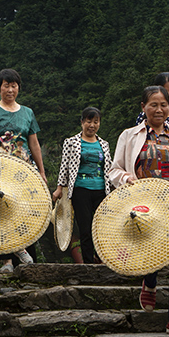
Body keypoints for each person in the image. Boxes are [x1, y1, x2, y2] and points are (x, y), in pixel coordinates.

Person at [109, 86, 169, 335]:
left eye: (163, 104)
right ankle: (150, 280)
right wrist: (127, 179)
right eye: (153, 104)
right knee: (152, 253)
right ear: (143, 107)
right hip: (146, 207)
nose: (159, 109)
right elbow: (113, 171)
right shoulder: (130, 136)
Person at [0, 68, 46, 272]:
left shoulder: (27, 112)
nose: (10, 89)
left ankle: (23, 250)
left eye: (14, 85)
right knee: (1, 211)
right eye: (6, 85)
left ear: (18, 88)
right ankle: (6, 259)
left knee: (23, 210)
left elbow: (34, 143)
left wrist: (41, 171)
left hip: (23, 172)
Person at [52, 107, 113, 264]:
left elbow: (109, 168)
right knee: (85, 228)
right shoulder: (71, 142)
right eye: (88, 121)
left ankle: (103, 260)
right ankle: (88, 264)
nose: (92, 125)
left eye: (95, 122)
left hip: (101, 190)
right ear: (82, 122)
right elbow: (64, 167)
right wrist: (59, 188)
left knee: (101, 227)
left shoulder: (104, 144)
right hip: (80, 190)